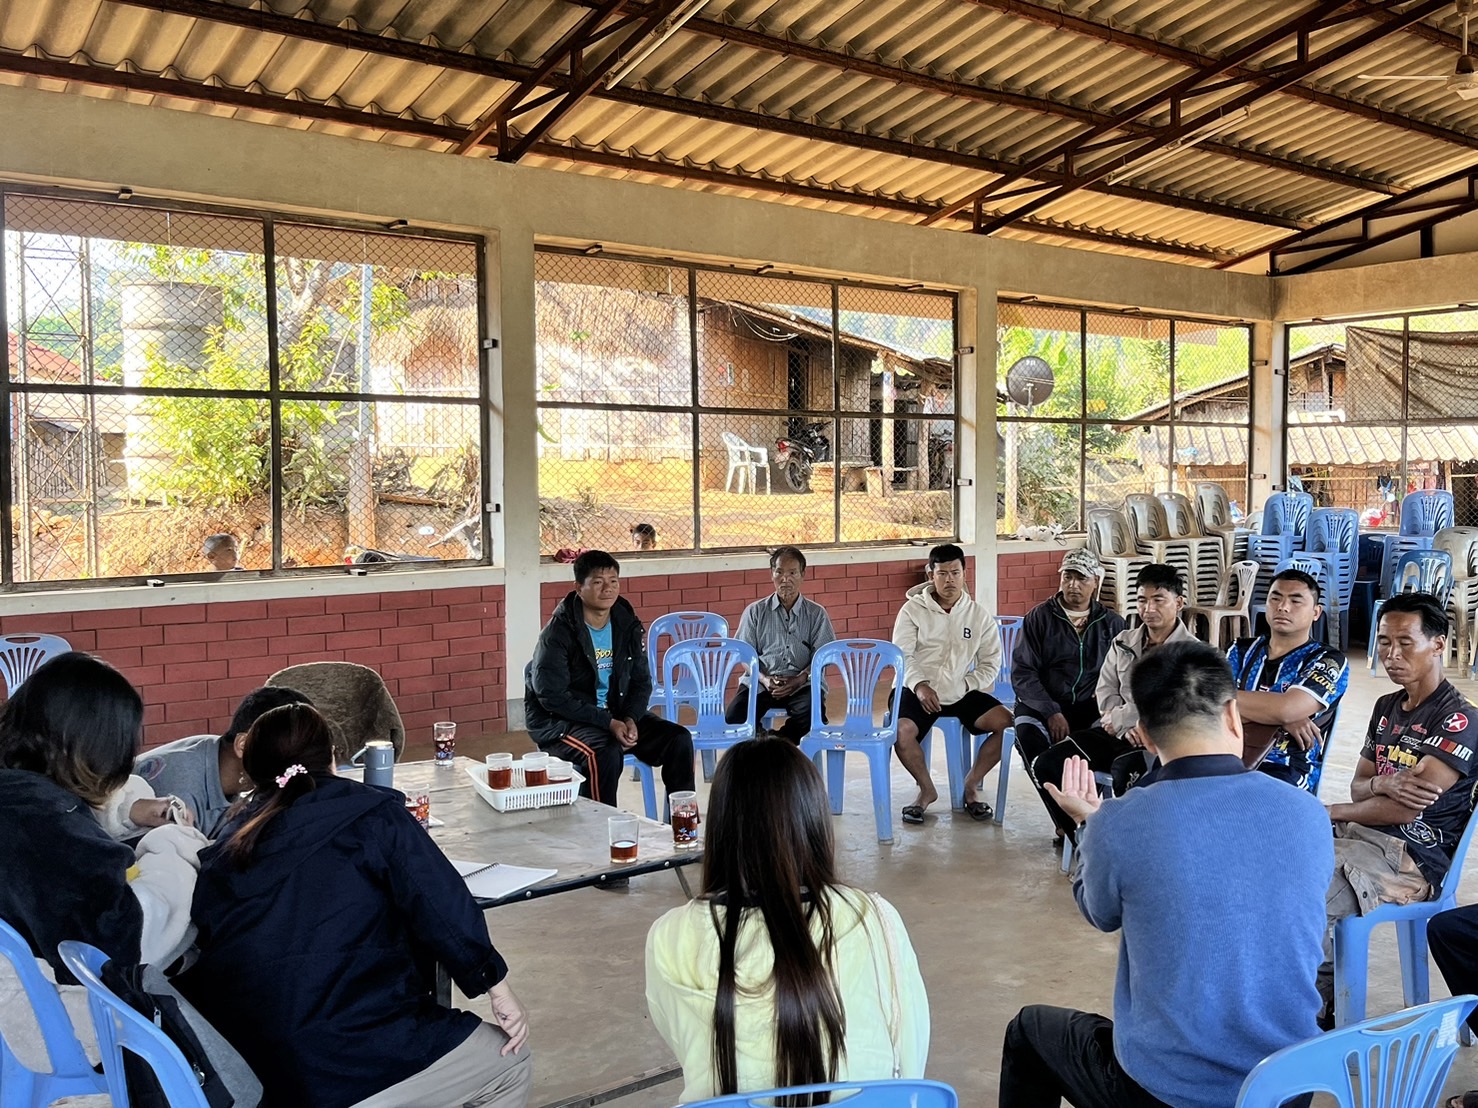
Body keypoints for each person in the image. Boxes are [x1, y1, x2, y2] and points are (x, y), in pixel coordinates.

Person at [1000, 641, 1331, 1108]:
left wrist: (1089, 826)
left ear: (1147, 737)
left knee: (1028, 1031)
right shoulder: (1307, 813)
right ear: (1233, 715)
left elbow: (1099, 912)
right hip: (1288, 1086)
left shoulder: (1120, 822)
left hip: (1170, 1093)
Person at [178, 703, 532, 1108]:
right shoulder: (371, 814)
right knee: (510, 1062)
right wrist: (496, 987)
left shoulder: (229, 839)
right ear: (332, 756)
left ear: (252, 770)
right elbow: (441, 903)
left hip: (253, 1068)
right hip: (354, 1054)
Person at [0, 651, 260, 1106]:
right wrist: (175, 846)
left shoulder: (19, 789)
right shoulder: (44, 823)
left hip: (20, 1001)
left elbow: (66, 822)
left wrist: (128, 811)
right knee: (211, 984)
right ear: (97, 746)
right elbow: (129, 940)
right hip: (45, 1023)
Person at [645, 739, 928, 1102]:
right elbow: (910, 1054)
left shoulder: (671, 935)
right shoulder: (874, 917)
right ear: (814, 820)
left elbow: (687, 1043)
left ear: (719, 828)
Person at [1320, 591, 1478, 1026]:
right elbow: (1359, 787)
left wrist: (1333, 811)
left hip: (1410, 859)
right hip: (1361, 837)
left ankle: (1315, 1011)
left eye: (1405, 643)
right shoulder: (1386, 706)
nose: (1391, 655)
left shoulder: (1460, 719)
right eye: (1385, 642)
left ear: (1438, 644)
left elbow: (1403, 812)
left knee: (1310, 896)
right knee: (1274, 866)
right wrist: (1381, 784)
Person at [1030, 563, 1198, 829]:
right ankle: (1082, 837)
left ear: (1178, 603)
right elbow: (1105, 689)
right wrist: (1119, 724)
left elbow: (1168, 701)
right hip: (1115, 733)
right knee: (1047, 764)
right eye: (1142, 600)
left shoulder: (1193, 652)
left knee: (1129, 782)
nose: (1148, 608)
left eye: (1158, 600)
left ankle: (1123, 844)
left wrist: (1125, 720)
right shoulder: (1123, 641)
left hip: (1158, 740)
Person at [526, 549, 694, 808]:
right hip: (561, 722)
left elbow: (641, 681)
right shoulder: (558, 633)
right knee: (603, 752)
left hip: (615, 713)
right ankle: (601, 829)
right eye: (597, 582)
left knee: (678, 739)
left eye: (613, 581)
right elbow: (552, 697)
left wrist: (631, 718)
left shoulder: (626, 623)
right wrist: (608, 722)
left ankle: (683, 822)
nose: (608, 589)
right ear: (579, 588)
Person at [890, 543, 1011, 823]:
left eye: (955, 573)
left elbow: (990, 663)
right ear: (930, 575)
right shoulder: (911, 610)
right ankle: (926, 791)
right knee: (901, 731)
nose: (949, 580)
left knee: (1008, 725)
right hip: (914, 689)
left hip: (960, 690)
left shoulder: (978, 615)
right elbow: (902, 655)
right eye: (942, 574)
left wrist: (967, 684)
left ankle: (970, 786)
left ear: (964, 574)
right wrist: (920, 685)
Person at [1011, 549, 1126, 835]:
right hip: (1042, 702)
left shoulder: (1113, 624)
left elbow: (1121, 676)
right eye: (1067, 577)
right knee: (1028, 740)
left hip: (1091, 704)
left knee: (1103, 745)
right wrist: (1051, 711)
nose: (1073, 585)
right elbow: (1023, 673)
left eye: (1081, 578)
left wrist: (1110, 708)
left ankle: (1090, 812)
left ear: (1095, 582)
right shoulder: (1039, 617)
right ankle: (1066, 824)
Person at [112, 686, 314, 839]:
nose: (301, 763)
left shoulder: (223, 758)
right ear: (243, 744)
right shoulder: (178, 791)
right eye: (292, 748)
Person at [1227, 567, 1349, 792]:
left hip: (1287, 767)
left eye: (1295, 601)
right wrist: (1281, 718)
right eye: (1275, 598)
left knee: (1248, 799)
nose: (1283, 607)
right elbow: (1205, 704)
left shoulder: (1327, 660)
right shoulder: (1241, 650)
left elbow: (1288, 708)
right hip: (1229, 755)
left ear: (1316, 612)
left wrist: (1282, 713)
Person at [726, 545, 835, 743]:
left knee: (812, 715)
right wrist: (764, 679)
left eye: (792, 573)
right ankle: (768, 743)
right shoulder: (755, 612)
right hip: (762, 682)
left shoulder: (816, 614)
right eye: (779, 572)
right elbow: (744, 655)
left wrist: (801, 678)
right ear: (772, 574)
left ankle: (775, 744)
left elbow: (824, 656)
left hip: (802, 683)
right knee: (735, 717)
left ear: (803, 575)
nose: (785, 579)